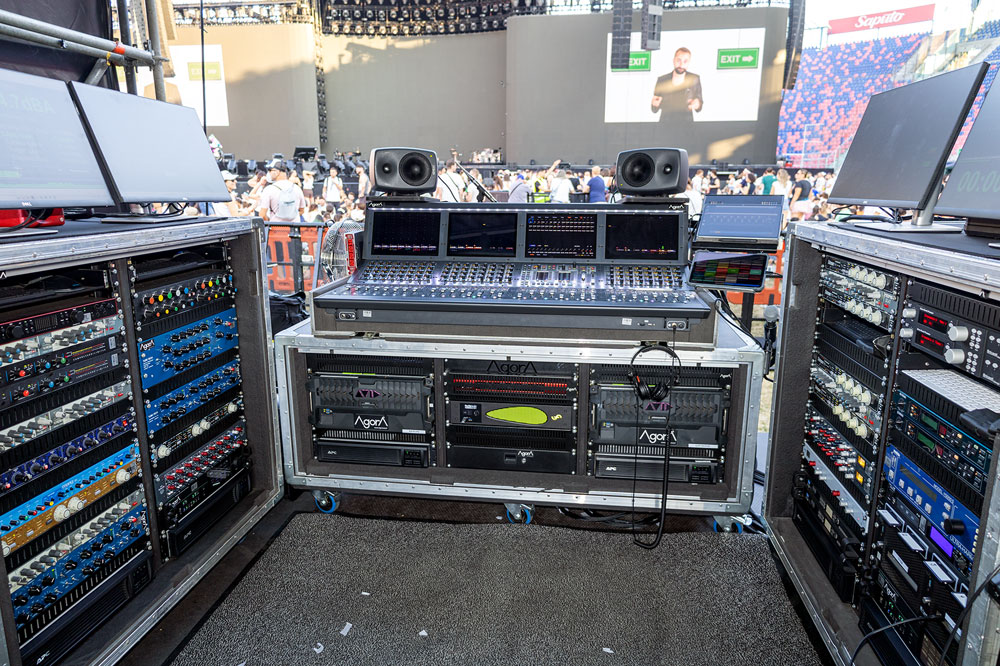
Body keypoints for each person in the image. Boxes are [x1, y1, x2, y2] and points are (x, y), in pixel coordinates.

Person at [651, 47, 703, 124]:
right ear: (673, 60)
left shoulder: (694, 79)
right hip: (665, 124)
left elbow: (699, 105)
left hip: (687, 125)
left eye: (685, 61)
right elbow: (654, 109)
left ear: (689, 62)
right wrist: (654, 104)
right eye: (678, 60)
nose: (681, 65)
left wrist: (697, 104)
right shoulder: (662, 80)